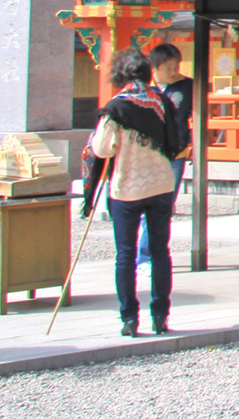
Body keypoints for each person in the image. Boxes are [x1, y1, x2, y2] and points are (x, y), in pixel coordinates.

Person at [82, 48, 184, 336]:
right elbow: (174, 139)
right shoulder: (162, 101)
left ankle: (129, 318)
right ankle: (160, 315)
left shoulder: (117, 107)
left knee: (125, 254)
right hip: (162, 183)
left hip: (127, 186)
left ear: (120, 75)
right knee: (160, 251)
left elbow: (101, 148)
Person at [137, 43, 194, 268]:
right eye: (168, 67)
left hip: (175, 154)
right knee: (145, 206)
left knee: (164, 206)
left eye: (176, 66)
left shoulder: (187, 86)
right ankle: (144, 256)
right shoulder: (142, 90)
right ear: (155, 68)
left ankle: (155, 255)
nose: (173, 71)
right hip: (147, 156)